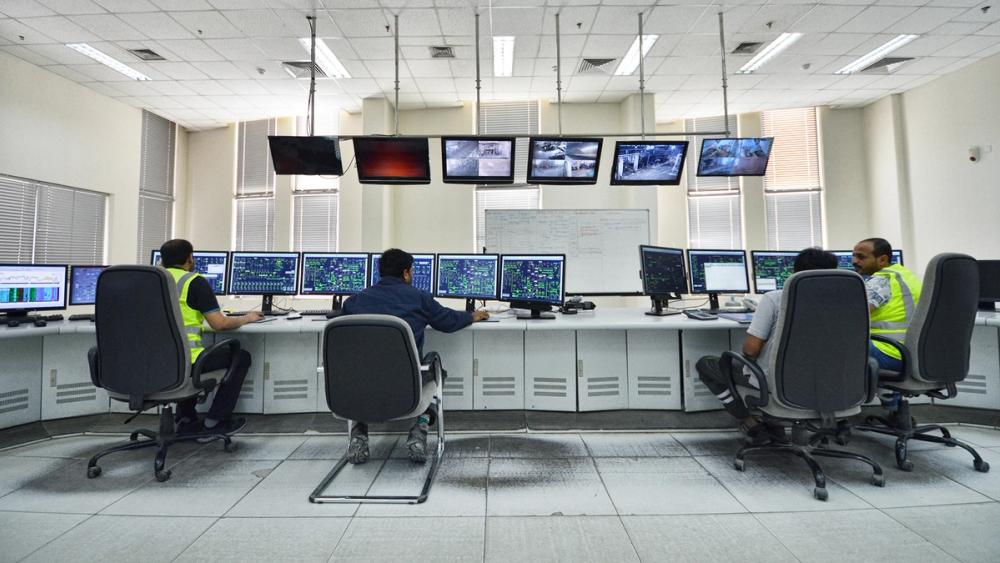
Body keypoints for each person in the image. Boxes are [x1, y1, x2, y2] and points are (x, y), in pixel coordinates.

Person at [342, 248, 489, 464]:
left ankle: (359, 435)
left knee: (368, 371)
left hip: (361, 390)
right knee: (438, 370)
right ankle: (419, 429)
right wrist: (472, 316)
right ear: (406, 273)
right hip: (406, 389)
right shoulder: (418, 298)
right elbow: (447, 321)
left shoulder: (354, 302)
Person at [696, 247, 839, 445]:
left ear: (794, 273)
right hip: (827, 384)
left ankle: (752, 424)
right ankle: (773, 424)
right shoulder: (846, 303)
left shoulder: (775, 298)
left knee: (707, 364)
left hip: (778, 384)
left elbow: (750, 350)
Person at [158, 239, 263, 437]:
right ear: (190, 258)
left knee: (182, 358)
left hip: (150, 362)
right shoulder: (194, 281)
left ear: (162, 260)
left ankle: (186, 418)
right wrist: (248, 317)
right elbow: (220, 324)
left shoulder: (151, 281)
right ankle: (216, 421)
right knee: (241, 357)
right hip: (186, 361)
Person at [852, 238, 923, 372]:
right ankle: (887, 392)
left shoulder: (881, 280)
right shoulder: (907, 276)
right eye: (854, 256)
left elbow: (851, 317)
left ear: (882, 260)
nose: (854, 261)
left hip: (890, 351)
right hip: (912, 352)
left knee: (830, 344)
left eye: (861, 257)